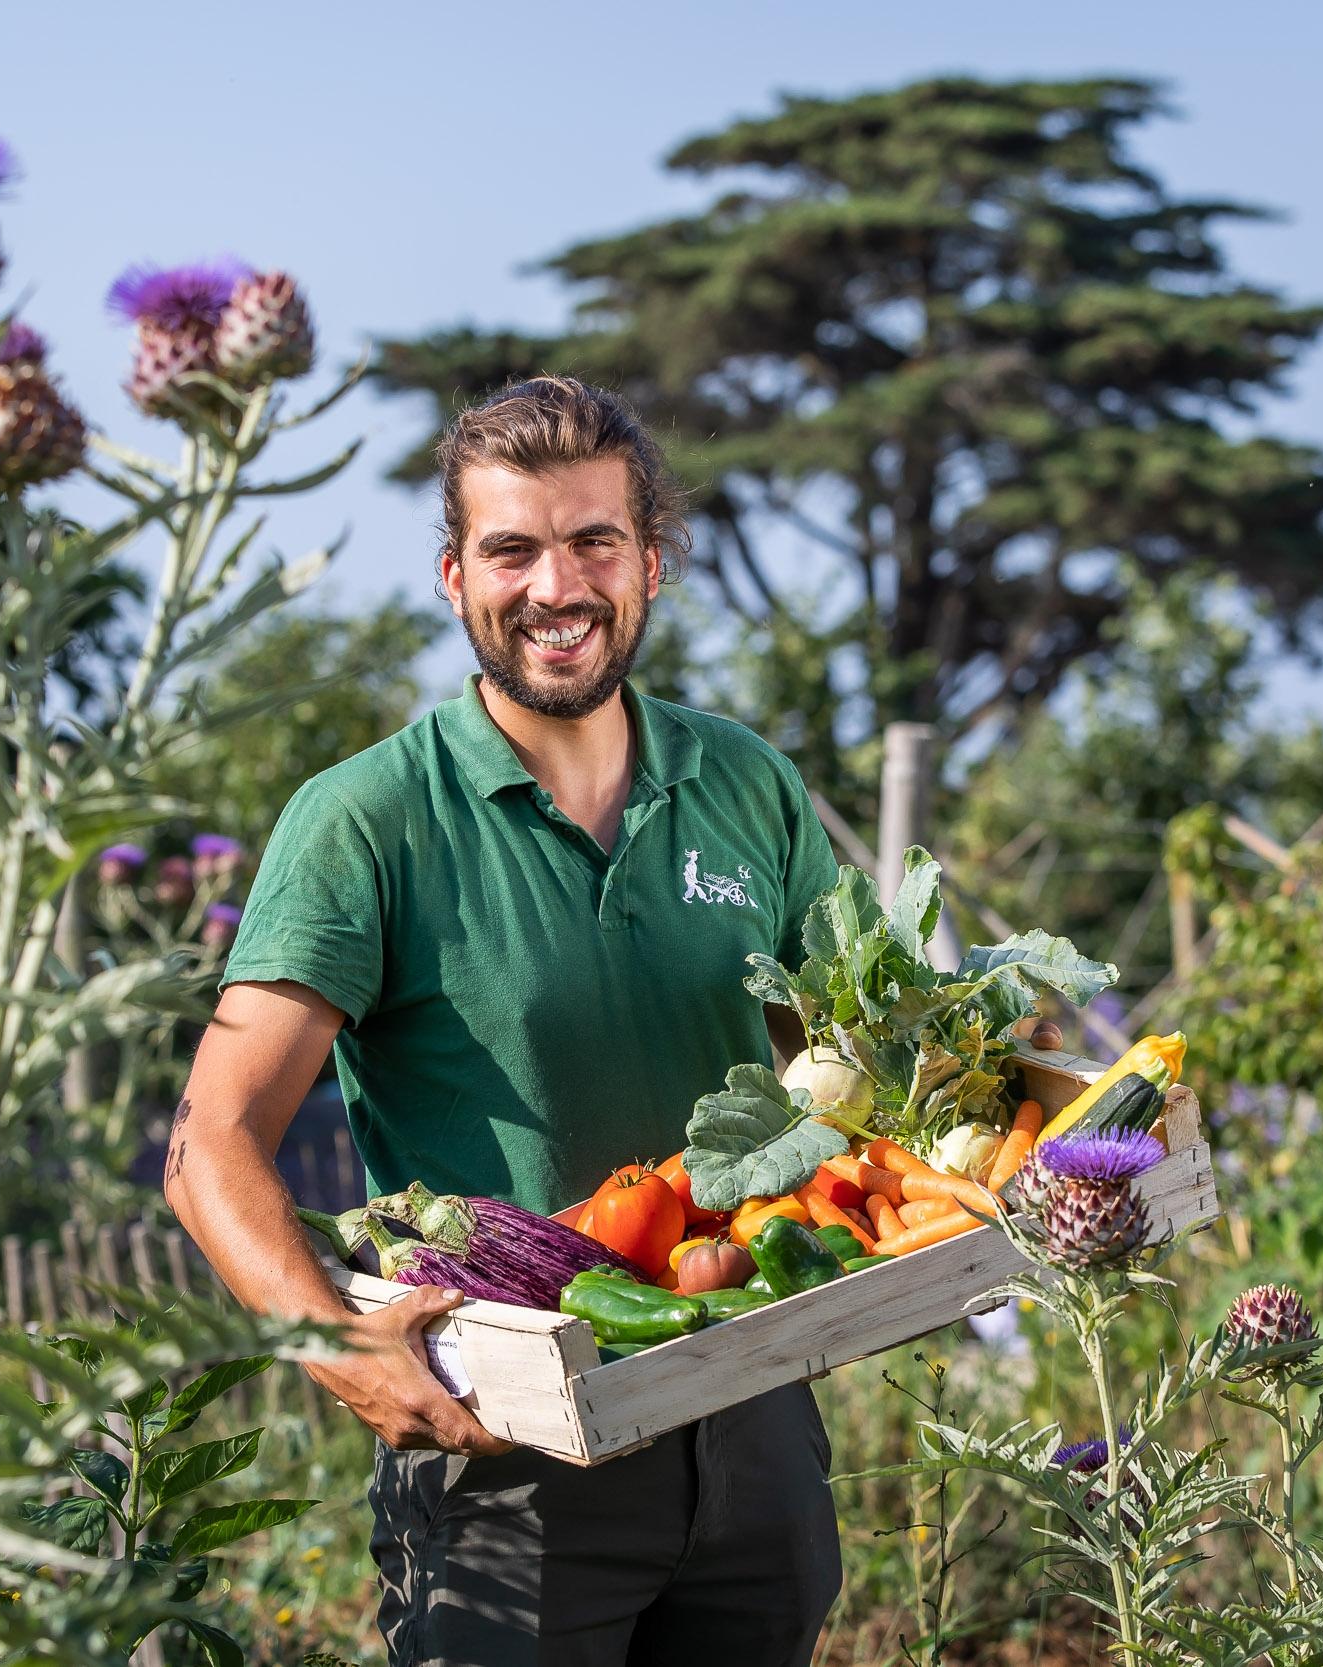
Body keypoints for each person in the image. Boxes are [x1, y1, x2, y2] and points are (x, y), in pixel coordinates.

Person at [162, 376, 844, 1665]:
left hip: (753, 1411)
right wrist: (336, 1347)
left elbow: (849, 1062)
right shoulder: (367, 820)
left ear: (651, 561)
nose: (557, 587)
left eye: (593, 541)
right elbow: (210, 1145)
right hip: (508, 1443)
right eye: (513, 548)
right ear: (454, 573)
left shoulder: (746, 784)